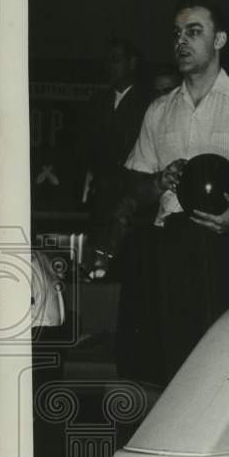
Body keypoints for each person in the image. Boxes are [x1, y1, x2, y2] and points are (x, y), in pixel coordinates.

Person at [120, 0, 229, 384]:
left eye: (194, 32)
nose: (182, 41)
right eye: (177, 33)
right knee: (178, 366)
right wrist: (157, 182)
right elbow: (135, 188)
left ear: (220, 40)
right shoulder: (159, 110)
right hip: (173, 245)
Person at [81, 39, 148, 279]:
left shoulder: (149, 102)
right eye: (108, 60)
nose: (110, 66)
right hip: (102, 198)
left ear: (132, 63)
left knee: (128, 266)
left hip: (132, 198)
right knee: (96, 270)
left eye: (116, 59)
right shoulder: (97, 102)